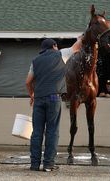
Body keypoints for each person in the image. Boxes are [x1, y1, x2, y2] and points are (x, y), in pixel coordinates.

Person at [26, 37, 82, 172]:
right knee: (52, 131)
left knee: (37, 132)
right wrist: (80, 38)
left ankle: (34, 165)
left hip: (38, 98)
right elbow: (77, 46)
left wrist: (32, 95)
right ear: (54, 46)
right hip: (53, 97)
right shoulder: (61, 54)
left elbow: (28, 82)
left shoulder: (35, 60)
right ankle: (48, 164)